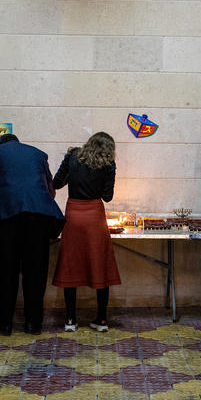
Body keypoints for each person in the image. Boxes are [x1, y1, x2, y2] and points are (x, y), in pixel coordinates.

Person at [0, 134, 65, 336]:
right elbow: (50, 190)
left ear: (0, 144)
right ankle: (33, 324)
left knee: (6, 271)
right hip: (38, 217)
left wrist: (1, 203)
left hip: (6, 219)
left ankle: (6, 324)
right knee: (35, 272)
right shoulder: (38, 154)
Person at [51, 132, 122, 332]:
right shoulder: (108, 164)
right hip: (94, 217)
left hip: (73, 213)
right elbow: (107, 197)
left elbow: (56, 183)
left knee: (70, 264)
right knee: (100, 264)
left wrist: (74, 177)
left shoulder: (73, 156)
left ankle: (70, 320)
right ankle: (101, 320)